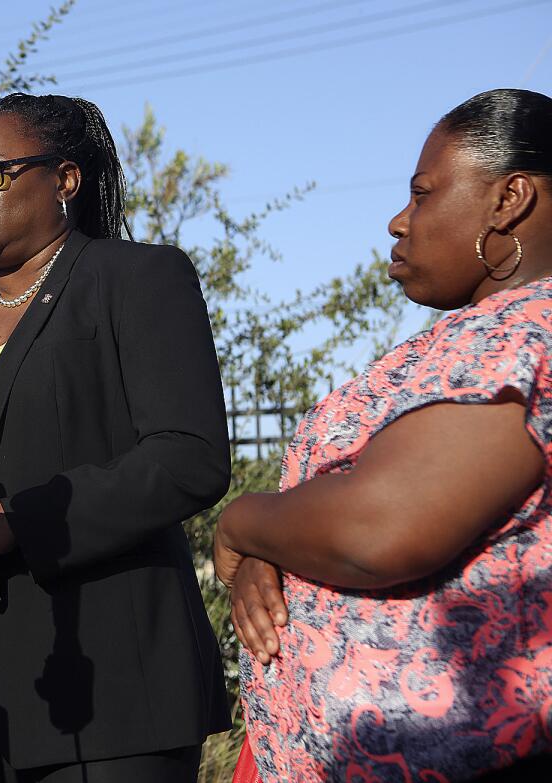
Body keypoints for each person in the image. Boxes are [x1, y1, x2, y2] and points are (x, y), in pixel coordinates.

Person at [215, 88, 552, 782]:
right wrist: (265, 558)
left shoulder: (529, 334)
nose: (399, 220)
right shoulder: (461, 340)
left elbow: (380, 527)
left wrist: (242, 522)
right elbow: (327, 507)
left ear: (509, 199)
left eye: (423, 195)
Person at [0, 93, 231, 782]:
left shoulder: (135, 279)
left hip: (110, 691)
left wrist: (14, 521)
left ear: (64, 180)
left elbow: (189, 458)